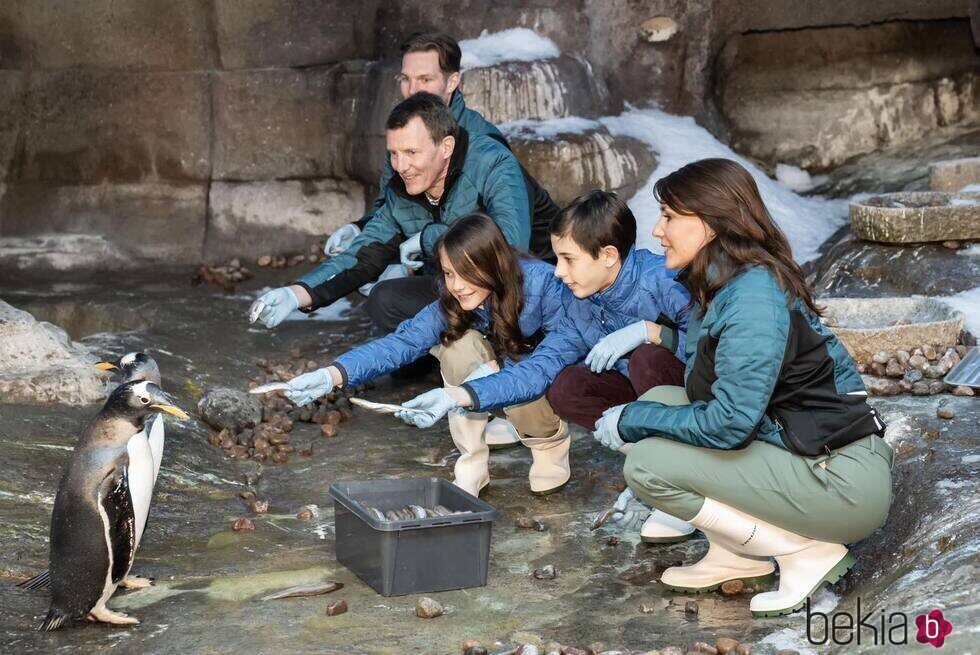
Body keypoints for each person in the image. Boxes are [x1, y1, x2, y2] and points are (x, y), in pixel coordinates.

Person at [591, 158, 891, 617]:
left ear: (709, 225)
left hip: (840, 480)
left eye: (670, 216)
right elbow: (711, 377)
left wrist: (632, 421)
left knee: (649, 463)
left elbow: (729, 424)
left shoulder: (753, 297)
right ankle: (735, 553)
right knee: (660, 400)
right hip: (803, 450)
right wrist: (651, 365)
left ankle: (801, 552)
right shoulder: (727, 283)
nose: (657, 230)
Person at [394, 191, 695, 545]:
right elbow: (538, 371)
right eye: (557, 258)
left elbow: (719, 350)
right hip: (639, 393)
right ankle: (653, 466)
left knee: (648, 358)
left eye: (568, 259)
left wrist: (655, 333)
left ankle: (682, 482)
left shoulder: (664, 280)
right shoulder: (580, 301)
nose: (558, 270)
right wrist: (462, 395)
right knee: (567, 386)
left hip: (689, 398)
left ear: (609, 256)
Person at [279, 213, 577, 496]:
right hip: (494, 373)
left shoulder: (544, 285)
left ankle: (548, 443)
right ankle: (472, 464)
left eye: (468, 272)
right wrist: (333, 374)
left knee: (520, 376)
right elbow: (403, 343)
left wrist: (495, 367)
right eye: (449, 273)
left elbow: (552, 362)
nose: (457, 285)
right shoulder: (454, 296)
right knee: (457, 348)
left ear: (494, 263)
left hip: (539, 377)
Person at [252, 91, 530, 329]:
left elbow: (511, 244)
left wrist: (430, 238)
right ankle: (428, 363)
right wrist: (296, 293)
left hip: (516, 289)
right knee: (384, 298)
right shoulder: (403, 190)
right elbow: (359, 256)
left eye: (411, 153)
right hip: (458, 290)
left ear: (446, 147)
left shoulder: (492, 162)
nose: (400, 166)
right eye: (394, 154)